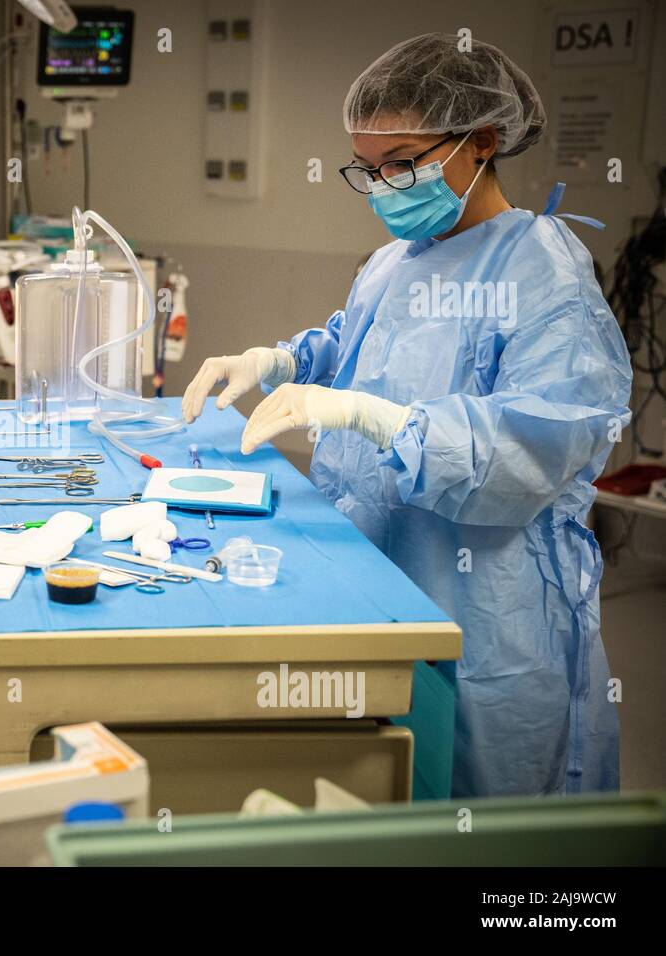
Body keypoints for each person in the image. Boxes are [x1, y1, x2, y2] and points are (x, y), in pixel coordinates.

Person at [183, 34, 632, 798]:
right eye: (370, 168)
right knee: (377, 786)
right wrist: (277, 362)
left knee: (479, 818)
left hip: (485, 610)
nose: (385, 185)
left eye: (404, 163)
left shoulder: (543, 269)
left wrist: (377, 419)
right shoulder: (399, 257)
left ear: (481, 143)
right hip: (377, 569)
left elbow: (537, 444)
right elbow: (356, 342)